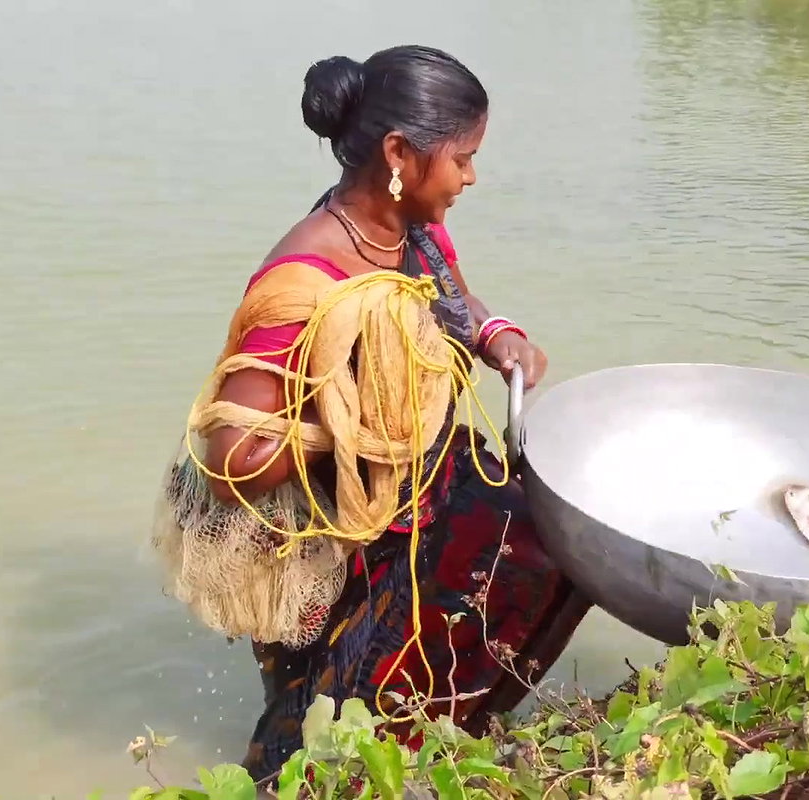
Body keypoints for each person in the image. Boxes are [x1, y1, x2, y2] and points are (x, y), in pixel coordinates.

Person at [151, 44, 589, 785]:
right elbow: (232, 459)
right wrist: (355, 414)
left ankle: (444, 751)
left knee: (551, 551)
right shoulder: (304, 280)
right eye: (463, 158)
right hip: (340, 539)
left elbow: (449, 293)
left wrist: (494, 335)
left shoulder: (405, 227)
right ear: (399, 155)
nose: (471, 177)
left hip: (421, 494)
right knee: (326, 734)